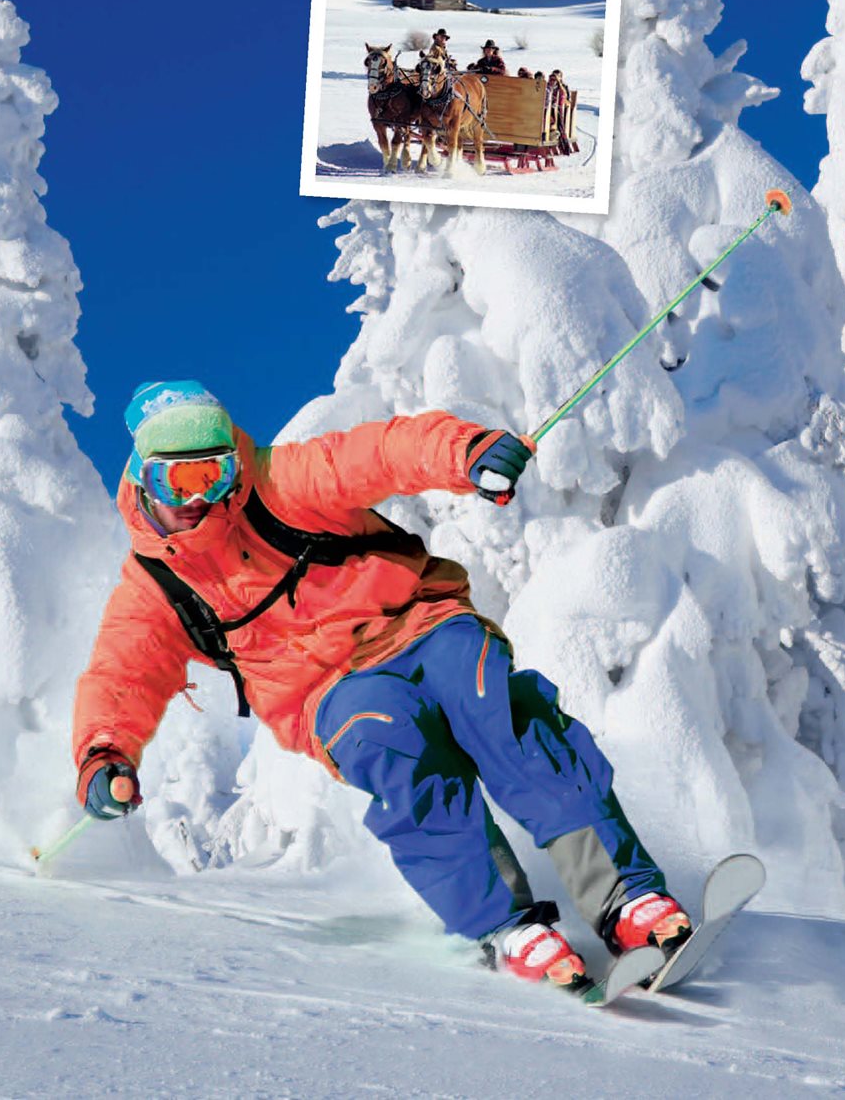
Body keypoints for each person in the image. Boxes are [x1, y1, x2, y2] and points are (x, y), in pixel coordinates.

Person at [74, 381, 692, 993]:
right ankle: (507, 927)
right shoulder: (153, 587)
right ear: (142, 477)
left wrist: (465, 451)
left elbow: (384, 451)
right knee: (398, 757)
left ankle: (625, 898)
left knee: (501, 716)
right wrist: (104, 753)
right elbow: (121, 673)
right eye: (176, 482)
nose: (198, 499)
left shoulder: (282, 483)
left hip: (420, 623)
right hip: (327, 690)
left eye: (212, 476)